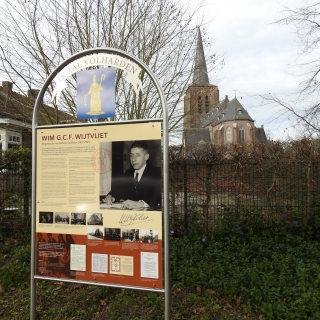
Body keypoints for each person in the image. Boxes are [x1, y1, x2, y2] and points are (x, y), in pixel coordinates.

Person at [103, 140, 161, 210]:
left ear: (146, 157)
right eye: (131, 155)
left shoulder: (157, 173)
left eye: (137, 155)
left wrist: (141, 203)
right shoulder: (128, 173)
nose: (133, 159)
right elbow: (117, 191)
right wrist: (111, 197)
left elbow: (158, 197)